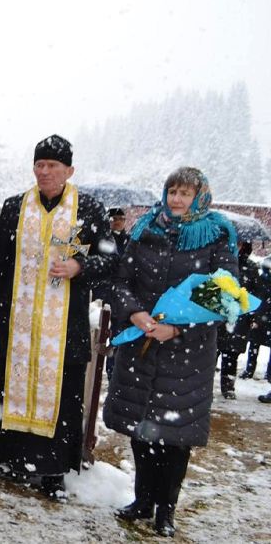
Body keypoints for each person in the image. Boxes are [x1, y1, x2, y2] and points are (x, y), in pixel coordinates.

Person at [0, 135, 117, 501]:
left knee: (61, 396)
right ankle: (11, 459)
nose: (45, 172)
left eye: (53, 166)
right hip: (18, 319)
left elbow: (110, 260)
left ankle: (53, 469)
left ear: (69, 170)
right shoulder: (14, 207)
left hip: (63, 324)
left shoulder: (88, 208)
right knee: (12, 387)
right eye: (40, 165)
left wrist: (79, 265)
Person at [104, 167, 238, 538]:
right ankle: (142, 499)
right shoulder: (146, 228)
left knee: (176, 437)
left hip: (187, 354)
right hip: (142, 344)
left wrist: (177, 327)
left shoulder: (216, 235)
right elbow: (121, 281)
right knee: (141, 429)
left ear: (200, 197)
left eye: (185, 193)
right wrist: (135, 312)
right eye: (172, 191)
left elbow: (225, 294)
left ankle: (166, 509)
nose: (177, 199)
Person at [217, 241, 257, 399]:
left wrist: (254, 316)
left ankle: (228, 387)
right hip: (219, 314)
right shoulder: (219, 262)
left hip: (240, 318)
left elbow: (257, 292)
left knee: (231, 355)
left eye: (240, 244)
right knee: (211, 352)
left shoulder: (250, 267)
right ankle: (204, 385)